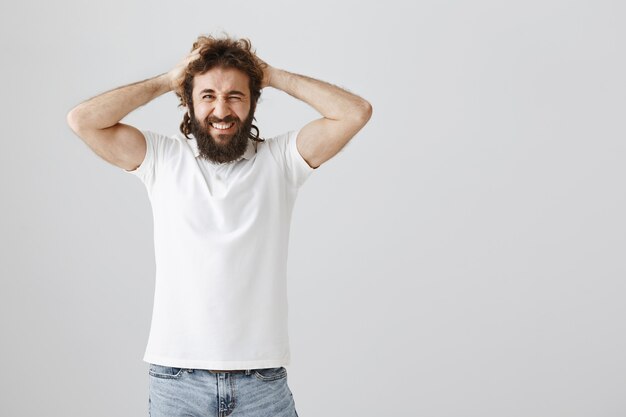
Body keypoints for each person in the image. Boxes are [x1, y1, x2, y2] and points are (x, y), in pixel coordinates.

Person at [67, 34, 372, 417]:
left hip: (261, 383)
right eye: (207, 95)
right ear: (189, 102)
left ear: (253, 102)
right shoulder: (162, 158)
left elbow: (355, 111)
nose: (221, 110)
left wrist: (270, 74)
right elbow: (83, 121)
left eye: (235, 96)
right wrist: (167, 79)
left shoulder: (281, 161)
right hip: (177, 382)